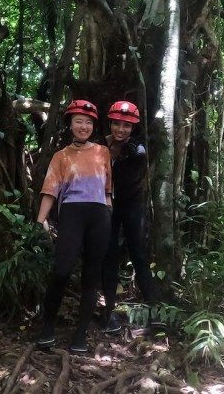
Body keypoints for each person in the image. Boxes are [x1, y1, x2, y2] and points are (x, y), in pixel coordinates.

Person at [36, 100, 112, 353]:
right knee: (61, 270)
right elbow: (50, 190)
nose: (84, 126)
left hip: (99, 215)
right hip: (72, 212)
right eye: (79, 121)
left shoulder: (103, 152)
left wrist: (108, 212)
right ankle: (47, 326)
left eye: (89, 122)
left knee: (92, 276)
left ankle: (81, 334)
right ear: (69, 124)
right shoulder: (61, 156)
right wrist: (40, 221)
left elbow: (108, 190)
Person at [101, 101, 161, 334]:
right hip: (106, 207)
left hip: (130, 206)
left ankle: (155, 313)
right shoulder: (99, 146)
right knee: (109, 256)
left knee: (138, 254)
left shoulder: (137, 150)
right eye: (117, 124)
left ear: (133, 127)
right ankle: (109, 314)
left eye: (126, 125)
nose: (121, 129)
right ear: (110, 123)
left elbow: (124, 180)